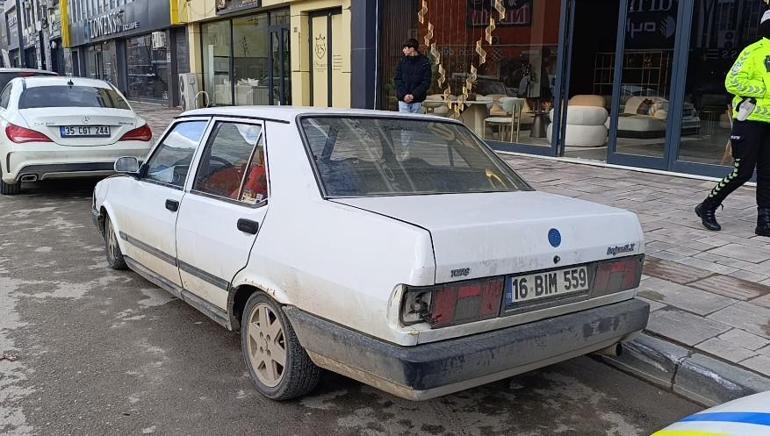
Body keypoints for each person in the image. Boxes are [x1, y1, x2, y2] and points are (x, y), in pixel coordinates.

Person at [695, 10, 770, 237]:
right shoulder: (753, 51)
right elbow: (732, 82)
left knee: (768, 173)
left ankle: (764, 220)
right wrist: (765, 90)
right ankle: (707, 205)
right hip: (749, 120)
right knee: (743, 171)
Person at [394, 38, 432, 113]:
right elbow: (397, 79)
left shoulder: (424, 63)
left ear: (412, 49)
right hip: (403, 100)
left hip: (417, 101)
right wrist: (404, 95)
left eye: (405, 48)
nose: (403, 50)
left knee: (416, 123)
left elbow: (426, 82)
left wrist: (413, 95)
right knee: (403, 123)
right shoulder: (402, 61)